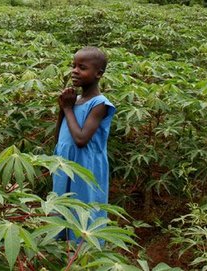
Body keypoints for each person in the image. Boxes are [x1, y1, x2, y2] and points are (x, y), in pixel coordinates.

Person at [53, 46, 116, 242]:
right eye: (73, 66)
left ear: (98, 74)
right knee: (61, 207)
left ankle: (85, 253)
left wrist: (68, 109)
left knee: (83, 209)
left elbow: (80, 139)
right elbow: (59, 138)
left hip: (85, 166)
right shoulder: (75, 101)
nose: (74, 71)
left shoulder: (99, 104)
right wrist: (63, 109)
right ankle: (61, 251)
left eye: (82, 67)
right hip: (64, 163)